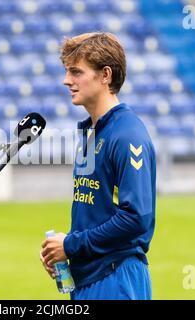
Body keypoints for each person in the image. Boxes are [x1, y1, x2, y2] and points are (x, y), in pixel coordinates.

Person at [40, 32, 156, 300]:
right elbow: (99, 210)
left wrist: (70, 244)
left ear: (105, 75)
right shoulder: (92, 133)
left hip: (116, 279)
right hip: (88, 278)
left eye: (76, 72)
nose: (66, 80)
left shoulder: (127, 135)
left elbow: (136, 218)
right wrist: (62, 247)